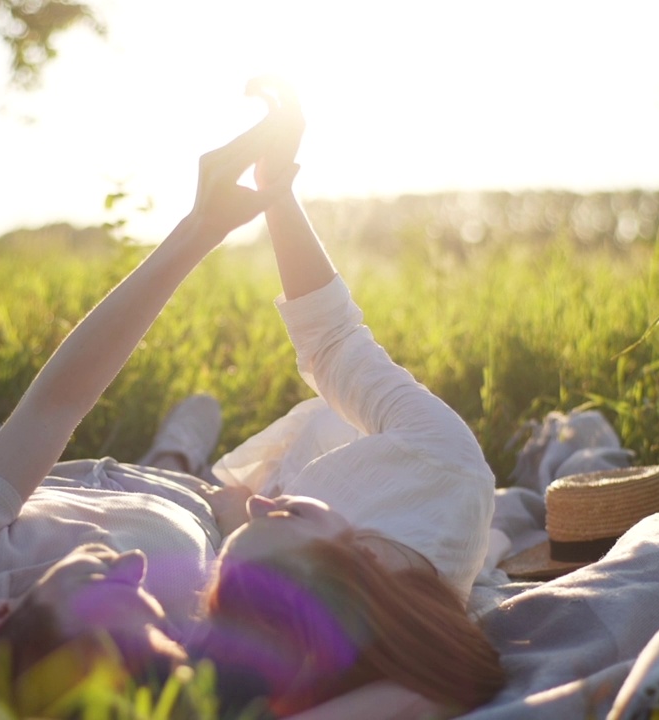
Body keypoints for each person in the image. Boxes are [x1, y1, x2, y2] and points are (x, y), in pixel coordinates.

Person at [0, 102, 301, 717]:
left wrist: (199, 229)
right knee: (199, 415)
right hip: (182, 492)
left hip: (48, 477)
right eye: (148, 603)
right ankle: (172, 451)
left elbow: (56, 405)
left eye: (107, 589)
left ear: (2, 616)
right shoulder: (177, 642)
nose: (129, 566)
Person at [192, 82, 505, 718]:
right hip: (318, 436)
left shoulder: (345, 624)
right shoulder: (443, 468)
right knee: (209, 482)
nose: (264, 507)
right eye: (281, 518)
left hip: (240, 501)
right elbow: (335, 343)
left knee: (194, 487)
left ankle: (177, 454)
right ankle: (179, 453)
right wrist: (276, 192)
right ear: (359, 554)